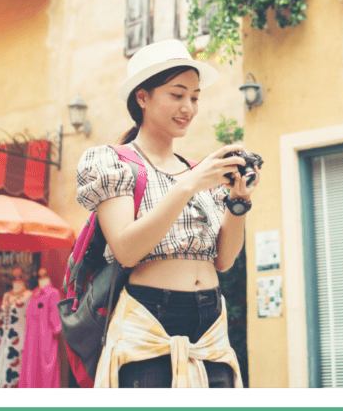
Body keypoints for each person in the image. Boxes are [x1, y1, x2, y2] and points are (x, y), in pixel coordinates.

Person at [75, 39, 258, 389]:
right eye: (177, 95)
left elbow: (223, 261)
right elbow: (127, 249)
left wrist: (238, 202)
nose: (188, 107)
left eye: (195, 97)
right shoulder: (113, 162)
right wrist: (188, 185)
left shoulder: (198, 171)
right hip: (148, 317)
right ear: (142, 97)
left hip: (211, 323)